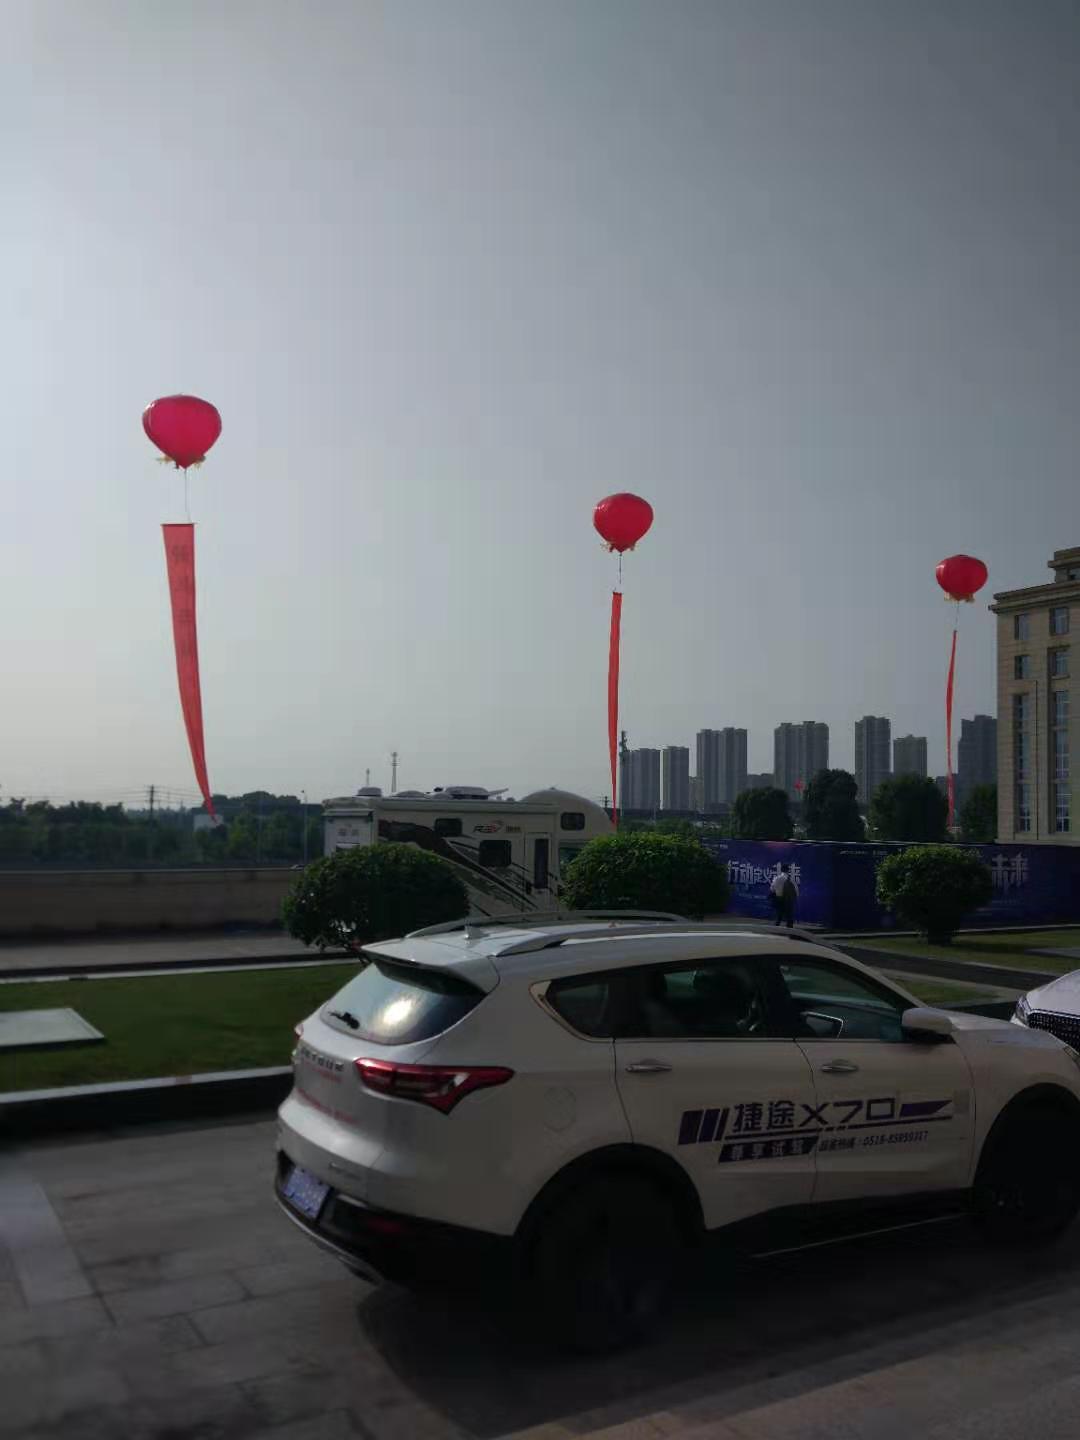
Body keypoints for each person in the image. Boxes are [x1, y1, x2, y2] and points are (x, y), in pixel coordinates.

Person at [770, 863, 798, 928]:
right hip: (787, 899)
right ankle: (789, 930)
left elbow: (772, 889)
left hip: (778, 898)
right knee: (789, 916)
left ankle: (776, 928)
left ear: (781, 870)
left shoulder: (776, 878)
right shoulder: (790, 879)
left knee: (779, 914)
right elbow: (796, 890)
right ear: (788, 870)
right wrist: (794, 897)